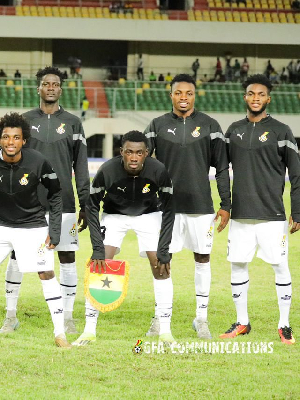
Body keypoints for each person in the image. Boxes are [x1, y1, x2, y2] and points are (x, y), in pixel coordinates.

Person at [0, 113, 70, 348]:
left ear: (24, 140)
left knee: (47, 274)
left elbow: (56, 193)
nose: (11, 142)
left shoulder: (38, 161)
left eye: (16, 138)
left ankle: (60, 334)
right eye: (6, 137)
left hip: (33, 225)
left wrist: (55, 229)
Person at [0, 67, 89, 335]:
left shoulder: (73, 123)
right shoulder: (24, 121)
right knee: (16, 257)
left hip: (65, 202)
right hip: (28, 203)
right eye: (45, 84)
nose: (50, 87)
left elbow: (81, 166)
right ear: (38, 89)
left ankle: (68, 316)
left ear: (61, 89)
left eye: (55, 84)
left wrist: (85, 201)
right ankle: (10, 315)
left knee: (67, 258)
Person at [141, 74, 231, 340]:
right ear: (171, 95)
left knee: (202, 258)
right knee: (161, 262)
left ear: (194, 95)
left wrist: (226, 203)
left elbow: (223, 168)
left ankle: (201, 319)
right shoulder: (157, 125)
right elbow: (139, 160)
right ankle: (160, 316)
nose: (183, 97)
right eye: (178, 93)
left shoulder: (210, 125)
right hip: (164, 208)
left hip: (200, 206)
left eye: (188, 93)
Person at [73, 131, 175, 346]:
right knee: (99, 265)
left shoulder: (158, 170)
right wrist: (97, 248)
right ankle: (89, 330)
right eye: (129, 152)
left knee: (161, 266)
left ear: (147, 153)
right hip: (114, 216)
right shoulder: (107, 170)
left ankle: (165, 331)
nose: (134, 157)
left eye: (139, 152)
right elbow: (91, 207)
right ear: (121, 152)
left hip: (149, 215)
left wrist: (164, 248)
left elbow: (169, 210)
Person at [220, 74, 300, 345]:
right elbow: (220, 168)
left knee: (280, 266)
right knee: (238, 265)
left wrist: (297, 211)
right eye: (251, 94)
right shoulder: (233, 130)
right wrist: (225, 205)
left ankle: (284, 325)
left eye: (261, 94)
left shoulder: (281, 131)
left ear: (268, 99)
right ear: (245, 98)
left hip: (272, 215)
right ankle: (242, 322)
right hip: (241, 215)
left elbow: (297, 175)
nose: (256, 98)